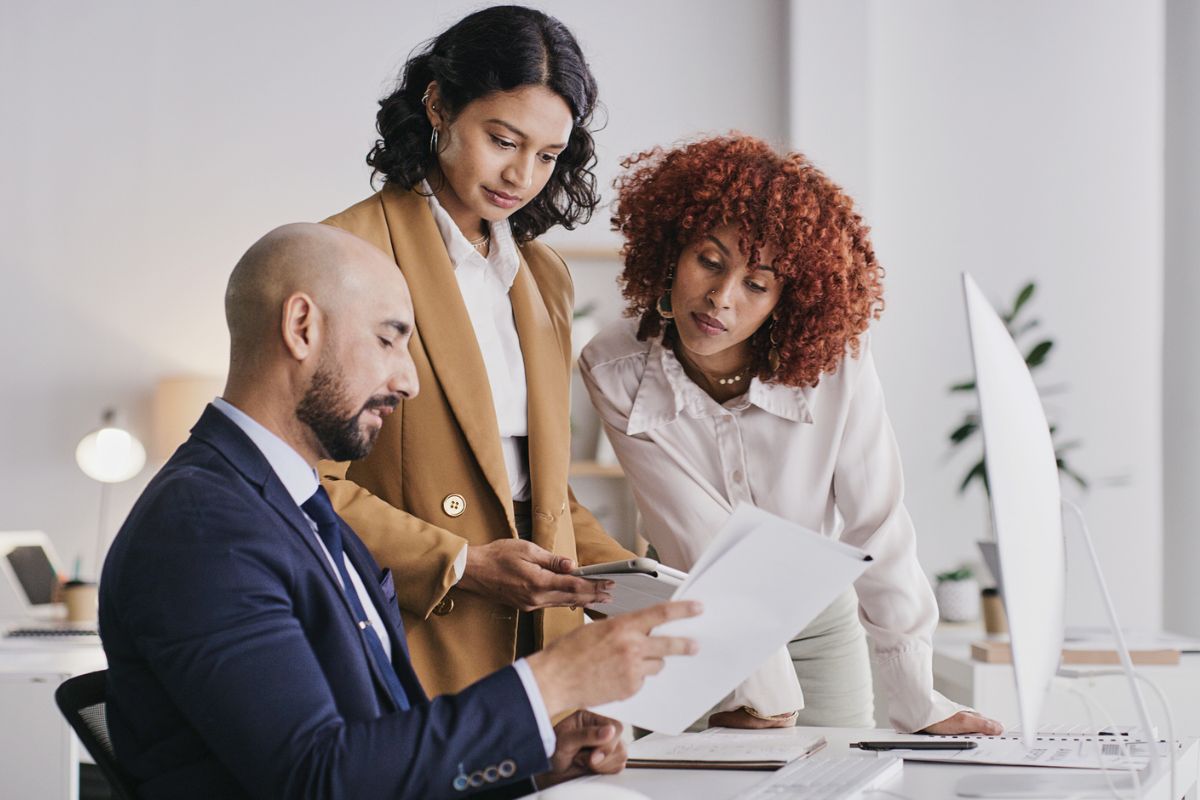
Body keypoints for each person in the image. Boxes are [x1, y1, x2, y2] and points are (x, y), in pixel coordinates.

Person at [99, 223, 700, 799]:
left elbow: (376, 757)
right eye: (389, 338)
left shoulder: (295, 504)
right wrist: (553, 684)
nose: (409, 380)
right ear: (302, 326)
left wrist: (532, 769)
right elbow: (316, 779)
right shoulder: (202, 529)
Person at [578, 134, 1003, 735]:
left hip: (820, 624)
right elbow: (693, 532)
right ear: (673, 249)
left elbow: (876, 523)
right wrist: (760, 695)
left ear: (788, 298)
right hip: (693, 619)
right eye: (709, 260)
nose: (720, 298)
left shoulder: (838, 364)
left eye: (756, 284)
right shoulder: (614, 366)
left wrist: (917, 701)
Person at [319, 5, 635, 699]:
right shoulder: (348, 256)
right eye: (503, 139)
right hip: (413, 631)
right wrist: (460, 562)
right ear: (437, 104)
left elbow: (536, 489)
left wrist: (642, 582)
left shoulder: (544, 276)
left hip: (539, 639)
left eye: (548, 155)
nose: (522, 174)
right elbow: (305, 485)